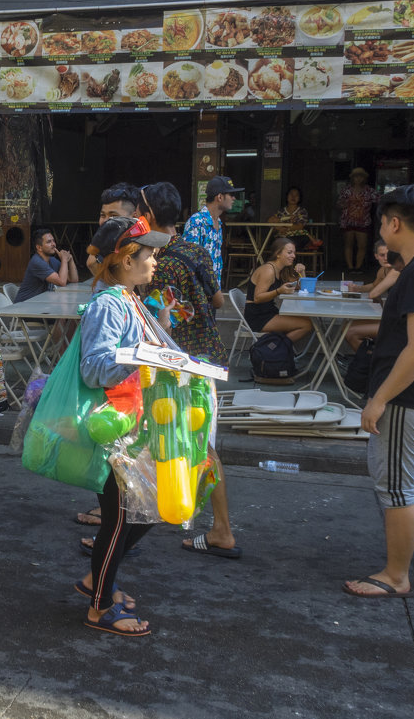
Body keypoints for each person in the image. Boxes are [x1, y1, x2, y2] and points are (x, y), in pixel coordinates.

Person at [344, 184, 414, 598]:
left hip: (412, 396)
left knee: (395, 486)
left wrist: (380, 398)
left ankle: (395, 575)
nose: (382, 230)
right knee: (405, 479)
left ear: (394, 224)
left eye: (382, 223)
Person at [75, 215, 172, 637]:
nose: (154, 262)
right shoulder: (108, 304)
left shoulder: (130, 299)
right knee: (120, 518)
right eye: (147, 254)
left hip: (134, 427)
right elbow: (94, 368)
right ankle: (99, 607)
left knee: (150, 510)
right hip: (114, 430)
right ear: (126, 259)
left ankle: (97, 581)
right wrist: (141, 355)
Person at [144, 182, 240, 559]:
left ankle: (222, 529)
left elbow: (160, 319)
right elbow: (217, 300)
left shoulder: (153, 261)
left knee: (187, 443)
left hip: (177, 364)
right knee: (198, 444)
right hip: (207, 356)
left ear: (148, 215)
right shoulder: (196, 251)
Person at [243, 238, 313, 342]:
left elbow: (301, 287)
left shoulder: (282, 269)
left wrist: (302, 272)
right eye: (289, 252)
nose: (293, 256)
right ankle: (277, 349)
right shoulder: (268, 270)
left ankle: (277, 348)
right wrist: (278, 291)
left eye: (294, 252)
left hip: (269, 311)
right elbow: (257, 298)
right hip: (258, 317)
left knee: (307, 319)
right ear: (278, 254)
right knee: (306, 325)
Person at [181, 176, 243, 288]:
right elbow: (188, 262)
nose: (234, 198)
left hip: (213, 291)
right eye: (231, 195)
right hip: (199, 293)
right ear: (219, 197)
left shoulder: (218, 222)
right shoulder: (197, 222)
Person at [344, 241, 400, 351]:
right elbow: (374, 285)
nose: (386, 258)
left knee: (350, 332)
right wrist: (358, 288)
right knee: (345, 327)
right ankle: (370, 360)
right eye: (382, 255)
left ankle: (373, 363)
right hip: (390, 317)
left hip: (400, 323)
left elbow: (374, 293)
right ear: (376, 256)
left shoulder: (396, 270)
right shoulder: (383, 271)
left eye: (389, 254)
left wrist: (376, 299)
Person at [17, 227, 78, 302]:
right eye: (49, 242)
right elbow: (62, 282)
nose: (53, 244)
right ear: (39, 247)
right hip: (24, 306)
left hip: (39, 304)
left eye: (53, 241)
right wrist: (64, 260)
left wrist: (70, 259)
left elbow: (73, 280)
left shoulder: (52, 261)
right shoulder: (37, 262)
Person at [337, 167, 379, 274]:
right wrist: (345, 204)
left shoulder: (369, 191)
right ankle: (350, 267)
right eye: (356, 176)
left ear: (364, 178)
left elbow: (379, 199)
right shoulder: (346, 190)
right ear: (352, 178)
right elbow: (339, 203)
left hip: (363, 221)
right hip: (348, 221)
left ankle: (358, 267)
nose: (358, 179)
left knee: (362, 245)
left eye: (361, 176)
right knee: (348, 244)